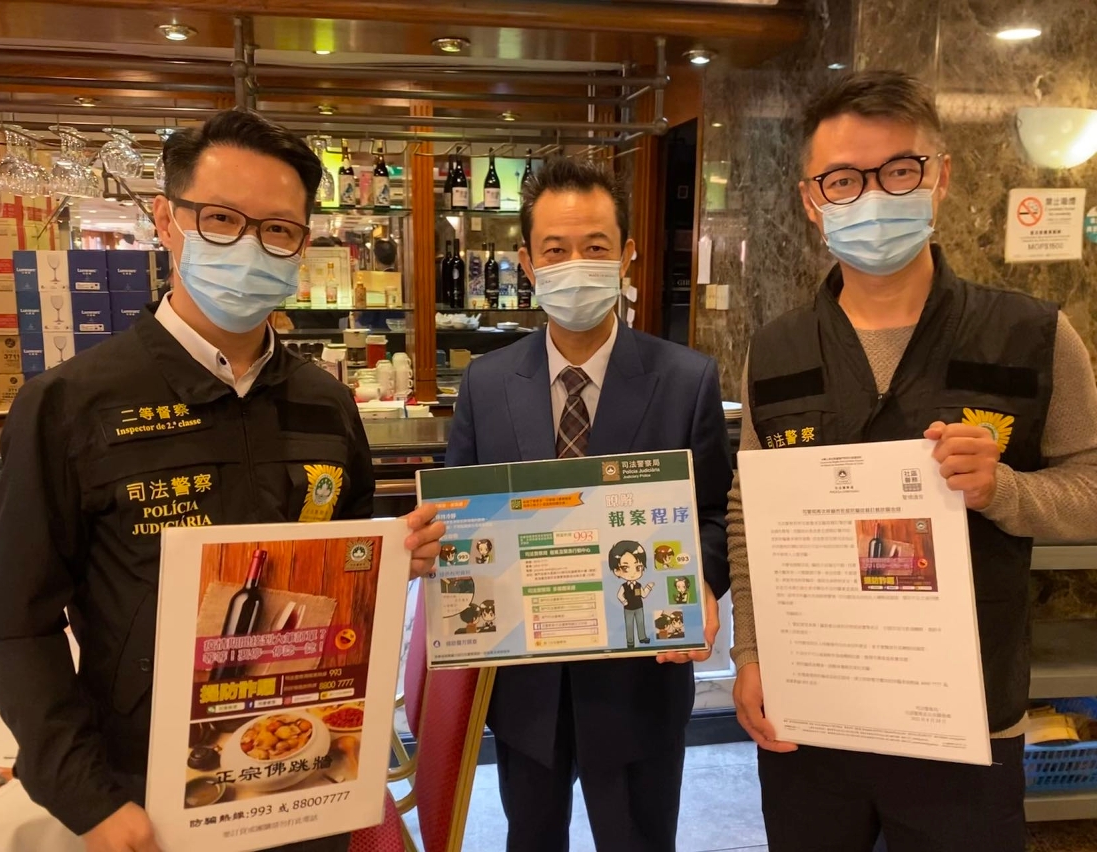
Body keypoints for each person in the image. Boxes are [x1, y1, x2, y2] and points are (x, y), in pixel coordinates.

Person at [0, 110, 445, 852]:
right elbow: (14, 625)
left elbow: (339, 574)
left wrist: (387, 560)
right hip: (150, 795)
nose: (249, 246)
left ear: (302, 245)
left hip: (304, 774)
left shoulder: (325, 404)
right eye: (222, 219)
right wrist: (87, 799)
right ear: (167, 220)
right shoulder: (70, 406)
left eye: (278, 229)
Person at [728, 70, 1097, 852]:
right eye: (843, 180)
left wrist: (1005, 490)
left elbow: (1091, 485)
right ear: (811, 200)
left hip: (965, 721)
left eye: (898, 170)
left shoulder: (1032, 337)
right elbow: (748, 511)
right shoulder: (778, 350)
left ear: (940, 178)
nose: (871, 196)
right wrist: (752, 651)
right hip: (815, 711)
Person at [445, 157, 733, 852]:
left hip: (640, 684)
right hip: (526, 689)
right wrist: (437, 546)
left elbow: (715, 515)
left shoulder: (686, 379)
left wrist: (704, 579)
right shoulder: (486, 384)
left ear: (627, 254)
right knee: (531, 838)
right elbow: (459, 521)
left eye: (595, 247)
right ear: (526, 262)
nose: (575, 264)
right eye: (555, 250)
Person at [609, 540, 655, 648]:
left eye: (638, 567)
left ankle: (642, 637)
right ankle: (630, 642)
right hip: (628, 608)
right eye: (625, 568)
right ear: (616, 571)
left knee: (640, 622)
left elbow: (643, 594)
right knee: (629, 625)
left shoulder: (638, 585)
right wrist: (624, 602)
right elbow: (619, 595)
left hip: (639, 607)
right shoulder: (624, 586)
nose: (633, 572)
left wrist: (649, 587)